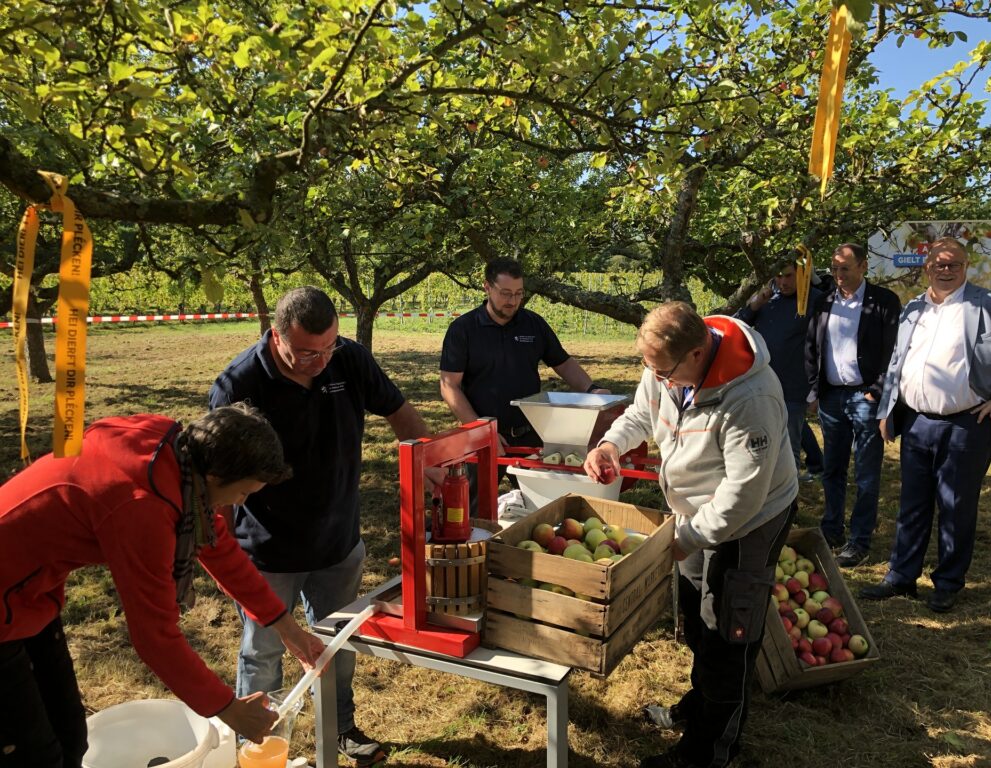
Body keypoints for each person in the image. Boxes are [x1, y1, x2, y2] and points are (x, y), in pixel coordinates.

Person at [0, 404, 325, 768]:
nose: (240, 503)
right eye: (243, 493)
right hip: (5, 606)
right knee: (33, 755)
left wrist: (287, 627)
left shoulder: (178, 456)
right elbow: (154, 637)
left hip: (31, 597)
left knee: (70, 735)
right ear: (216, 475)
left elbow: (220, 550)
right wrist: (228, 709)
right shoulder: (142, 506)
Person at [210, 286, 438, 767]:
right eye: (306, 352)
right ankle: (259, 747)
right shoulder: (239, 383)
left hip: (339, 542)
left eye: (328, 347)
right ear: (275, 336)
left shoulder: (348, 359)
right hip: (267, 554)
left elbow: (400, 414)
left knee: (336, 649)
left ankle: (340, 729)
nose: (320, 360)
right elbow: (217, 481)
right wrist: (222, 554)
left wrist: (434, 467)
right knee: (263, 653)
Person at [583, 302, 798, 768]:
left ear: (697, 354)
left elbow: (742, 496)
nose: (656, 378)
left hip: (750, 519)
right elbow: (644, 412)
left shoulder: (751, 397)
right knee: (699, 618)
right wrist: (610, 443)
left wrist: (687, 538)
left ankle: (709, 752)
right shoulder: (666, 368)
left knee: (728, 632)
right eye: (649, 367)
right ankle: (700, 706)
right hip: (693, 514)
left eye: (663, 370)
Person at [860, 238, 991, 612]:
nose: (946, 271)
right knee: (912, 504)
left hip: (968, 425)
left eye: (954, 265)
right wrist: (887, 409)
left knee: (956, 505)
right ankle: (901, 577)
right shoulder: (914, 309)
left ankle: (948, 583)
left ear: (966, 267)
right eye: (939, 265)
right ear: (927, 267)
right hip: (917, 422)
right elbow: (898, 361)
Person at [439, 258, 608, 501]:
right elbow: (449, 386)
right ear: (487, 287)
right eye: (506, 293)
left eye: (519, 293)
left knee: (541, 504)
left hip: (530, 435)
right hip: (482, 438)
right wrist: (481, 430)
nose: (513, 301)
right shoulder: (463, 330)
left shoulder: (533, 324)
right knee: (472, 509)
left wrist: (592, 389)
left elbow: (563, 363)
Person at [805, 243, 901, 567]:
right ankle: (831, 529)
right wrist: (814, 391)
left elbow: (894, 351)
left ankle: (860, 540)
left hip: (864, 397)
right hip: (832, 397)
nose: (838, 275)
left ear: (863, 266)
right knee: (832, 468)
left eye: (845, 268)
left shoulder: (883, 302)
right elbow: (812, 346)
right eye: (834, 268)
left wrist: (876, 390)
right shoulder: (824, 301)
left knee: (866, 471)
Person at [736, 260, 824, 481]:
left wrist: (817, 389)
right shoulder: (768, 300)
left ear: (802, 275)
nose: (783, 282)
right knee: (763, 441)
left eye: (788, 276)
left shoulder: (814, 301)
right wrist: (754, 305)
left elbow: (825, 345)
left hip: (794, 386)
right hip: (762, 385)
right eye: (778, 276)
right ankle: (771, 490)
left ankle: (789, 502)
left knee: (789, 446)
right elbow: (736, 326)